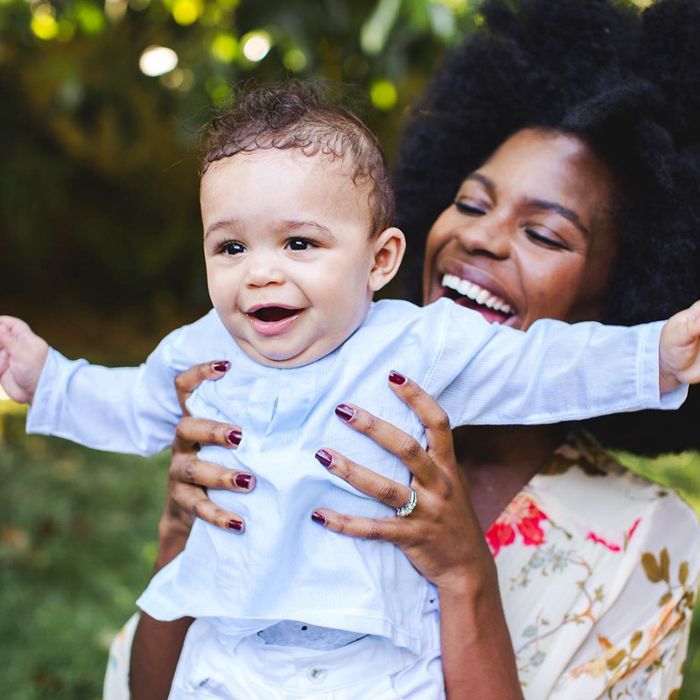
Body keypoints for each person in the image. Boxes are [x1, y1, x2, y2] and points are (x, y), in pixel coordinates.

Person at [1, 78, 699, 698]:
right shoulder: (203, 351)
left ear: (380, 260)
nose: (261, 273)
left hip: (378, 665)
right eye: (231, 247)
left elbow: (548, 364)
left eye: (299, 243)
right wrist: (49, 380)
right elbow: (131, 405)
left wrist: (659, 351)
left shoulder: (418, 345)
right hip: (231, 651)